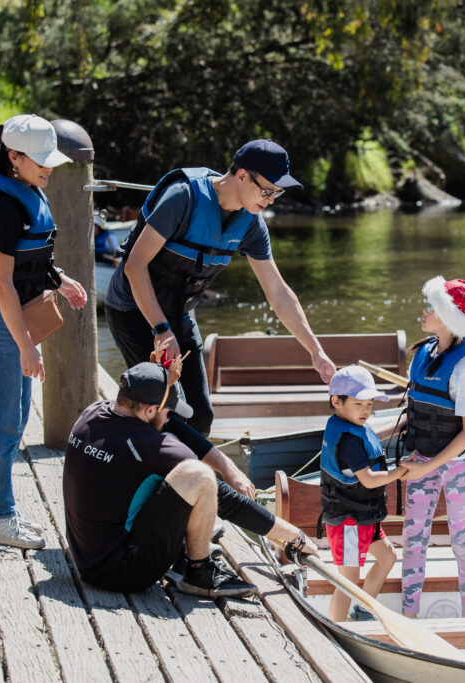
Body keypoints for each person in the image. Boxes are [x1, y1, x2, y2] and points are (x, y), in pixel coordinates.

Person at [104, 139, 335, 435]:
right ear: (242, 176)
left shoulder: (251, 224)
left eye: (277, 192)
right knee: (164, 409)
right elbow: (135, 266)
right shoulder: (183, 198)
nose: (271, 200)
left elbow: (278, 293)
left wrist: (315, 350)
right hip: (134, 309)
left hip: (179, 314)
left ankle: (181, 464)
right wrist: (161, 330)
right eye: (267, 191)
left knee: (200, 417)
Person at [63, 360, 318, 597]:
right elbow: (227, 500)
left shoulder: (94, 413)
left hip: (86, 559)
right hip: (123, 573)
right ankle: (199, 571)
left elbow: (168, 425)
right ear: (150, 410)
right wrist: (294, 536)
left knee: (163, 461)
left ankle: (186, 549)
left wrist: (228, 468)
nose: (170, 418)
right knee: (199, 476)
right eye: (168, 412)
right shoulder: (147, 447)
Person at [0, 114, 88, 549]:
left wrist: (59, 279)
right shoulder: (1, 204)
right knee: (3, 421)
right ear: (14, 157)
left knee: (13, 418)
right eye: (40, 159)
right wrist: (26, 345)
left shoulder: (25, 187)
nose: (49, 167)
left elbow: (28, 258)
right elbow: (0, 283)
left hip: (7, 321)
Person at [398, 276, 465, 619]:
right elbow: (415, 412)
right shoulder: (422, 354)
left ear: (449, 318)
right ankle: (409, 617)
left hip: (457, 466)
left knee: (462, 543)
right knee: (413, 541)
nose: (425, 311)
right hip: (420, 457)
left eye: (432, 306)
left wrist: (427, 467)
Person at [319, 365, 409, 621]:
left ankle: (362, 611)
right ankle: (336, 629)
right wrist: (400, 472)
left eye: (370, 404)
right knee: (347, 581)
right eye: (359, 404)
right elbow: (368, 480)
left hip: (363, 516)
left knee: (387, 557)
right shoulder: (348, 441)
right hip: (348, 520)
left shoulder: (352, 426)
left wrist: (403, 422)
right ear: (337, 401)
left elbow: (372, 438)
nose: (366, 410)